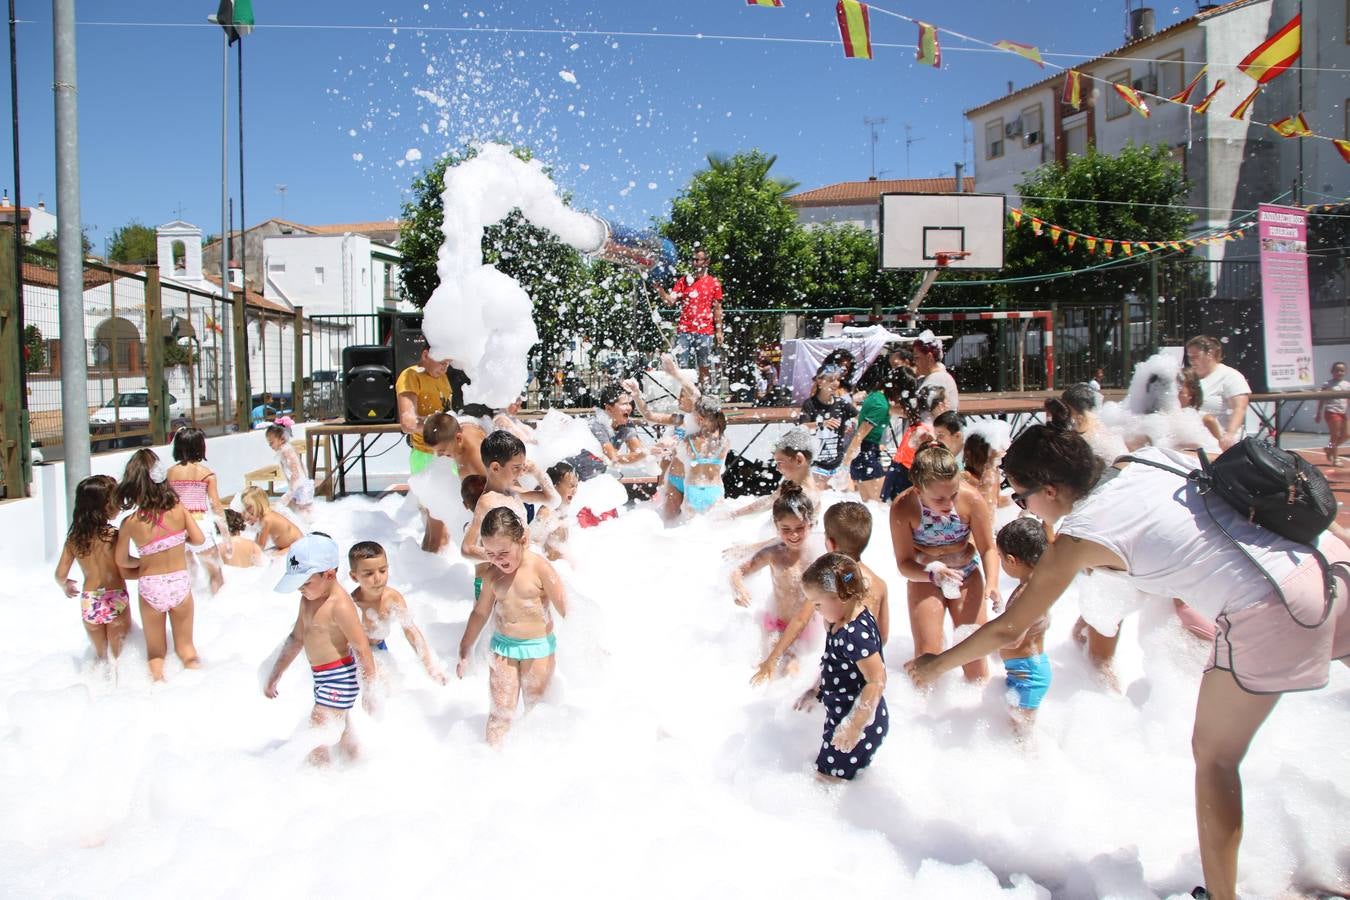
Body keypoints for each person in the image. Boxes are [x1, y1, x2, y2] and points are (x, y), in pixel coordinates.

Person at [905, 423, 1350, 900]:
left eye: (1022, 497)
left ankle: (1223, 897)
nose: (1025, 508)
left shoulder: (1079, 537)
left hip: (1275, 609)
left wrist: (933, 666)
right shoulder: (1146, 460)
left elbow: (1009, 627)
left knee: (1215, 758)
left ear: (1050, 490)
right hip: (1331, 564)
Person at [456, 507, 568, 746]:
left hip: (538, 648)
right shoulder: (491, 575)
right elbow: (480, 612)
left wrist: (587, 639)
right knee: (500, 710)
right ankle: (492, 761)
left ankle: (540, 758)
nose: (498, 559)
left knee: (536, 707)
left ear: (523, 541)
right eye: (490, 553)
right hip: (503, 649)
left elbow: (565, 606)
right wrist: (466, 646)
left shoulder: (539, 568)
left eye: (504, 552)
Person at [265, 533, 378, 766]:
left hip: (340, 677)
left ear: (330, 575)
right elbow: (297, 638)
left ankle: (320, 782)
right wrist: (276, 672)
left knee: (317, 732)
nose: (301, 589)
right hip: (322, 676)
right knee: (341, 730)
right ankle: (357, 765)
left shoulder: (340, 605)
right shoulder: (308, 599)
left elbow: (361, 647)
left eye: (305, 583)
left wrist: (370, 688)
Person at [889, 442, 997, 682]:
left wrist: (992, 584)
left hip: (966, 574)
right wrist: (932, 574)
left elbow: (988, 547)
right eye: (939, 499)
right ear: (918, 491)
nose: (949, 504)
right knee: (927, 659)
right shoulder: (904, 507)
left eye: (953, 494)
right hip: (925, 575)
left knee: (975, 665)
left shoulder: (971, 500)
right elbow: (904, 563)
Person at [752, 500, 889, 685]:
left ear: (830, 543)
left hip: (839, 678)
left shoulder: (830, 578)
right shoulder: (880, 584)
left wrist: (772, 659)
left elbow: (801, 619)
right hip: (869, 675)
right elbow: (882, 637)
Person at [793, 552, 888, 782]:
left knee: (827, 781)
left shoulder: (855, 634)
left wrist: (854, 726)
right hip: (843, 716)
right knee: (831, 775)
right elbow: (835, 662)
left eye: (818, 604)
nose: (816, 610)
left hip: (859, 721)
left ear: (842, 597)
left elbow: (877, 679)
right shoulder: (841, 620)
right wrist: (817, 690)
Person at [115, 449, 205, 681]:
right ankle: (198, 683)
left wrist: (145, 560)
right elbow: (199, 539)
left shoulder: (130, 522)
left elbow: (121, 561)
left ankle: (158, 686)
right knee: (186, 649)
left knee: (156, 653)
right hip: (179, 583)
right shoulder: (178, 509)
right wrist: (177, 543)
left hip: (150, 586)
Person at [730, 484, 823, 677]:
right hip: (779, 627)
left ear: (811, 524)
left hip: (810, 633)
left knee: (792, 672)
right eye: (786, 529)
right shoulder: (773, 553)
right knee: (766, 671)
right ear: (776, 526)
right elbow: (738, 570)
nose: (794, 535)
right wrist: (738, 587)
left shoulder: (819, 551)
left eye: (800, 528)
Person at [54, 475, 134, 665]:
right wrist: (148, 564)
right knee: (119, 660)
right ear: (104, 506)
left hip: (90, 602)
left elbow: (59, 575)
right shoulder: (114, 535)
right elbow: (126, 564)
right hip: (116, 599)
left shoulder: (74, 539)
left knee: (101, 659)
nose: (119, 504)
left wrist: (65, 586)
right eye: (114, 500)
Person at [348, 541, 446, 684]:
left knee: (390, 685)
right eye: (369, 573)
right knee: (371, 683)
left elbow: (410, 630)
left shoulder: (392, 598)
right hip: (356, 652)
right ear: (354, 577)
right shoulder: (352, 604)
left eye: (382, 570)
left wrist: (430, 666)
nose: (378, 578)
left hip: (380, 647)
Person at [992, 519, 1052, 743]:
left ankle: (1031, 771)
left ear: (1011, 560)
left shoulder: (1024, 595)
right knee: (1018, 731)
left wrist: (983, 641)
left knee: (1020, 738)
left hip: (1028, 675)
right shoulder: (1041, 583)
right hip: (1029, 669)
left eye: (1000, 558)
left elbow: (1013, 640)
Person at [461, 430, 560, 561]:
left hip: (525, 560)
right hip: (509, 571)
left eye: (523, 466)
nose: (521, 473)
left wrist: (536, 471)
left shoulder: (513, 492)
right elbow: (467, 548)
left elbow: (553, 501)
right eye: (516, 467)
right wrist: (501, 556)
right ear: (495, 468)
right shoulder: (488, 503)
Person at [625, 354, 700, 521]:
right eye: (680, 394)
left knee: (691, 525)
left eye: (684, 395)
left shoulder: (699, 423)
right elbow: (649, 415)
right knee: (668, 523)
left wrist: (675, 373)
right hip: (670, 479)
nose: (680, 397)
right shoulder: (678, 419)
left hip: (692, 480)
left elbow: (696, 394)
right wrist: (637, 395)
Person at [398, 347, 458, 551]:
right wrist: (445, 427)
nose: (445, 366)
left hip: (445, 458)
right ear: (425, 354)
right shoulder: (411, 375)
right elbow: (408, 422)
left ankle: (431, 573)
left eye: (448, 362)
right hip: (426, 457)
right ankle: (428, 573)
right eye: (442, 361)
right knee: (438, 532)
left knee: (445, 531)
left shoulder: (443, 378)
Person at [166, 426, 230, 594]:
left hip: (177, 528)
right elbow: (216, 508)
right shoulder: (206, 474)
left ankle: (196, 611)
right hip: (199, 526)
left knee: (188, 575)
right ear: (199, 447)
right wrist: (226, 537)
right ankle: (215, 611)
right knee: (215, 574)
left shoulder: (169, 474)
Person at [655, 246, 724, 387]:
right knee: (682, 365)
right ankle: (684, 396)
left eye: (698, 260)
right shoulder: (684, 281)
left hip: (705, 330)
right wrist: (660, 290)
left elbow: (717, 308)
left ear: (706, 262)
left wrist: (719, 331)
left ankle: (704, 395)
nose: (694, 263)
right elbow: (670, 301)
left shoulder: (714, 283)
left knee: (704, 364)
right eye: (693, 260)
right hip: (684, 329)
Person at [840, 370, 910, 502]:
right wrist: (844, 464)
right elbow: (860, 434)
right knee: (882, 506)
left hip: (863, 458)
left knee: (871, 508)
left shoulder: (875, 396)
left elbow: (894, 410)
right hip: (867, 457)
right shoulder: (881, 405)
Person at [730, 428, 822, 520]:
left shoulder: (806, 496)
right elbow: (769, 501)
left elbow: (795, 532)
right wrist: (735, 514)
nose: (777, 468)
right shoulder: (791, 483)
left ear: (799, 460)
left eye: (780, 462)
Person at [880, 382, 946, 503]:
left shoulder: (920, 422)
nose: (947, 405)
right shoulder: (926, 433)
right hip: (905, 477)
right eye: (945, 402)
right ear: (940, 405)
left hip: (899, 472)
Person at [1185, 335, 1250, 450]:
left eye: (1196, 357)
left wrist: (1230, 435)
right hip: (1193, 437)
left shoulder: (1230, 376)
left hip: (1219, 439)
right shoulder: (1189, 377)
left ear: (1209, 354)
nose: (1192, 361)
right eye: (1190, 357)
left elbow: (1239, 408)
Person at [797, 364, 857, 489]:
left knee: (847, 501)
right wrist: (821, 423)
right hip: (817, 464)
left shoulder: (842, 404)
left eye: (838, 380)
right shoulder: (810, 404)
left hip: (838, 464)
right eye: (831, 380)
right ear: (819, 381)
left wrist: (851, 424)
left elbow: (860, 418)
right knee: (818, 500)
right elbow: (802, 427)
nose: (835, 383)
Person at [678, 396, 729, 516]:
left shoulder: (689, 440)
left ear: (699, 418)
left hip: (693, 489)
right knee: (714, 530)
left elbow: (676, 453)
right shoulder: (725, 441)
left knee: (691, 530)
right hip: (714, 490)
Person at [589, 383, 648, 469]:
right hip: (570, 476)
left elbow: (639, 451)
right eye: (624, 404)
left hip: (595, 475)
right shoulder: (596, 425)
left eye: (630, 403)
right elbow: (614, 459)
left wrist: (656, 451)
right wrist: (647, 453)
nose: (629, 408)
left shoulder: (626, 425)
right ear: (608, 408)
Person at [265, 419, 315, 516]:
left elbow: (296, 472)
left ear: (282, 439)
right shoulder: (285, 449)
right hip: (298, 485)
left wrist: (290, 492)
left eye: (271, 442)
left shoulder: (286, 450)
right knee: (296, 512)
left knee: (303, 512)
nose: (270, 445)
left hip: (300, 486)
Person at [240, 487, 303, 554]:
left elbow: (261, 546)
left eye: (249, 506)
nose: (246, 510)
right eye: (245, 506)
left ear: (259, 504)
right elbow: (258, 537)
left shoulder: (266, 520)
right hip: (294, 543)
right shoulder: (266, 515)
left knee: (273, 557)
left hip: (297, 545)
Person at [912, 331, 959, 411]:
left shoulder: (937, 378)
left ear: (929, 357)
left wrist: (889, 408)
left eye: (917, 358)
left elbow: (918, 409)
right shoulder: (938, 376)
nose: (914, 362)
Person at [1314, 361, 1349, 467]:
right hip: (1331, 412)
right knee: (1335, 435)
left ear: (1345, 372)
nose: (1340, 372)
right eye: (1337, 370)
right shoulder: (1328, 384)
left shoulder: (1347, 385)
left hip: (1343, 413)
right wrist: (1318, 413)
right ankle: (1336, 459)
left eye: (1342, 370)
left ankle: (1329, 448)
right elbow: (1322, 399)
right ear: (1332, 371)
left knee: (1347, 435)